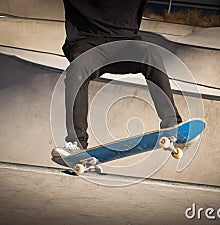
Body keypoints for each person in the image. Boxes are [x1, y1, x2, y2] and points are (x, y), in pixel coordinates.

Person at [53, 0, 182, 156]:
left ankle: (172, 125)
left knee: (150, 54)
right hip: (87, 43)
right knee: (78, 68)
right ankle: (76, 143)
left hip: (125, 43)